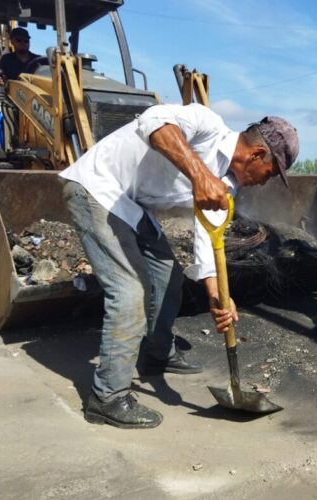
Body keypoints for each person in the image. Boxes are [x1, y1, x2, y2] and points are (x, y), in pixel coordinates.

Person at [59, 103, 298, 428]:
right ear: (257, 155)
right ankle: (108, 398)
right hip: (97, 188)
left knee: (169, 276)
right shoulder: (207, 125)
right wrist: (200, 175)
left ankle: (158, 352)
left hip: (131, 206)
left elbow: (207, 230)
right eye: (268, 175)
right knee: (131, 291)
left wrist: (216, 293)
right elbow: (152, 121)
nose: (263, 183)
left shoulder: (228, 184)